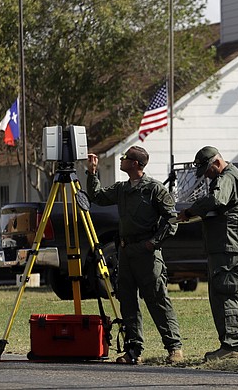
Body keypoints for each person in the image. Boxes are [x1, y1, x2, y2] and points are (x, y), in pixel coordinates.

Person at [86, 146, 184, 365]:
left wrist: (153, 243)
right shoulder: (122, 189)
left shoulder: (154, 189)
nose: (121, 161)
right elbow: (97, 197)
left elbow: (171, 220)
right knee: (128, 301)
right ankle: (134, 350)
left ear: (136, 164)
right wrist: (92, 173)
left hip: (147, 254)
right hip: (125, 252)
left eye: (125, 158)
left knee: (157, 300)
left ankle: (174, 347)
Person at [177, 146, 238, 361]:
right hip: (224, 245)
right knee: (220, 295)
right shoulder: (226, 176)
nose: (207, 176)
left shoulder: (227, 177)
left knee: (224, 294)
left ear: (217, 163)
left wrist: (190, 211)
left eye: (208, 171)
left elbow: (216, 200)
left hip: (228, 245)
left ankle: (232, 346)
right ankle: (228, 344)